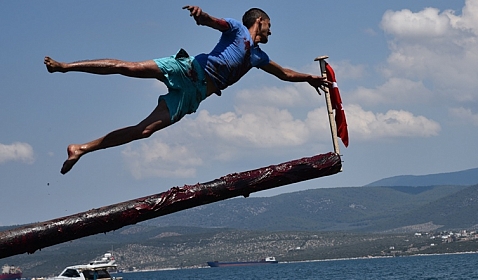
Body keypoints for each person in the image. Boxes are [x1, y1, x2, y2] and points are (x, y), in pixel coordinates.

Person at [44, 5, 329, 175]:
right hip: (188, 69)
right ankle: (65, 66)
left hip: (192, 95)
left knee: (144, 131)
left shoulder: (258, 57)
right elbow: (212, 21)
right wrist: (201, 15)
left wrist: (308, 78)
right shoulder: (237, 29)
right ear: (260, 21)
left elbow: (285, 73)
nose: (270, 32)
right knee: (128, 68)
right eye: (269, 26)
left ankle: (80, 148)